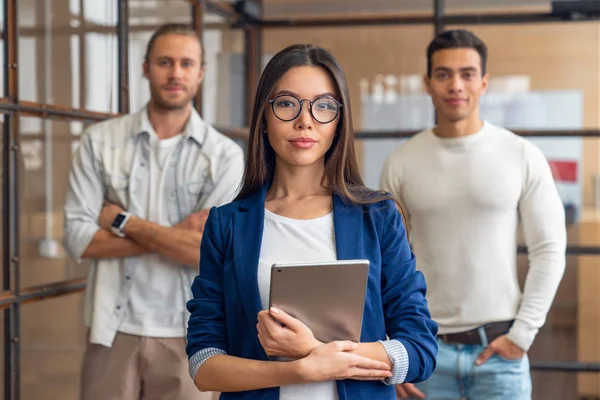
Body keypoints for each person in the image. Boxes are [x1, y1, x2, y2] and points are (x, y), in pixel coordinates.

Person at [184, 44, 438, 400]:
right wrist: (300, 369)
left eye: (323, 106)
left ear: (339, 121)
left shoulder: (378, 217)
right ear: (264, 116)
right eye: (287, 103)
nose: (305, 120)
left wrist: (315, 348)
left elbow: (419, 350)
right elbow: (204, 363)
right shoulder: (226, 225)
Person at [380, 29, 567, 400]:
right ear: (427, 84)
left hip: (501, 352)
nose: (455, 85)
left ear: (483, 82)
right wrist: (394, 350)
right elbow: (386, 263)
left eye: (467, 74)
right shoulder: (401, 162)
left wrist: (522, 336)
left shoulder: (521, 154)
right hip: (425, 350)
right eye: (443, 74)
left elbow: (548, 249)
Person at [63, 23, 244, 400]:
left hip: (192, 334)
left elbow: (209, 252)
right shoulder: (99, 142)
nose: (175, 73)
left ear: (201, 72)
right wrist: (176, 235)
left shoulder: (225, 156)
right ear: (145, 68)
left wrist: (123, 222)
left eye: (185, 63)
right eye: (164, 62)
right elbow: (79, 238)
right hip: (112, 330)